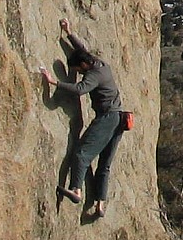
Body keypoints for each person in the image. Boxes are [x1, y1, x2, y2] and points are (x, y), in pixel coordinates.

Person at [41, 18, 126, 218]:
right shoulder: (99, 63)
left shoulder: (93, 75)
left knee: (81, 154)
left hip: (107, 118)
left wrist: (54, 83)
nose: (78, 74)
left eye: (78, 70)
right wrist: (68, 32)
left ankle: (76, 190)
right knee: (104, 164)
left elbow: (80, 89)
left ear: (83, 66)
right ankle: (99, 204)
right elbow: (82, 50)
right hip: (120, 118)